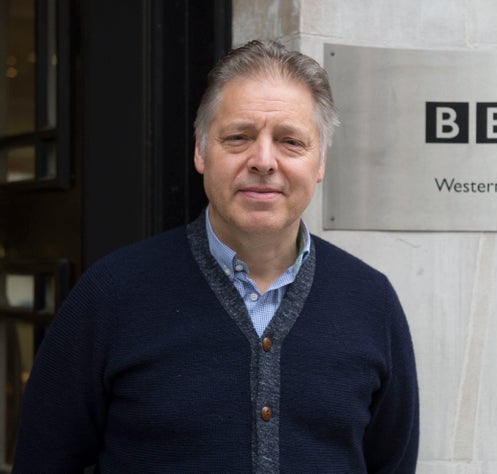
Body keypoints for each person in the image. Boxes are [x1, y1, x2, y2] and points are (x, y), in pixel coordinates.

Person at [12, 40, 419, 473]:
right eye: (239, 137)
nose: (264, 161)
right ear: (201, 151)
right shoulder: (111, 295)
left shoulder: (371, 302)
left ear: (319, 162)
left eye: (290, 141)